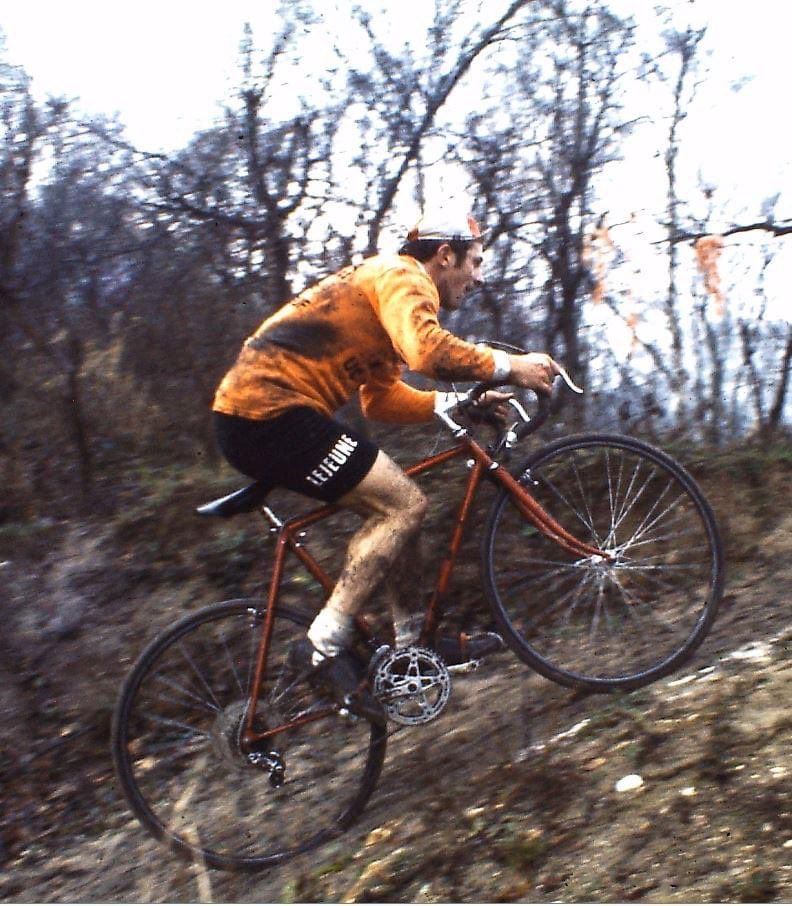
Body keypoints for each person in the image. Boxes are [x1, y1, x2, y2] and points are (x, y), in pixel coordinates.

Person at [212, 213, 560, 723]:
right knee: (403, 506)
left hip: (261, 415)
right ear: (446, 256)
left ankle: (412, 647)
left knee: (401, 510)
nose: (479, 277)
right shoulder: (405, 276)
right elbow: (428, 351)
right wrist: (512, 366)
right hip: (267, 412)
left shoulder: (386, 293)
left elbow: (380, 399)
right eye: (476, 262)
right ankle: (322, 646)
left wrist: (458, 404)